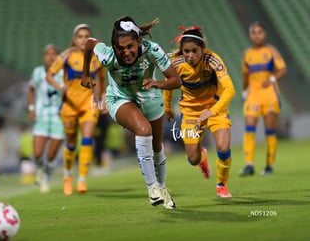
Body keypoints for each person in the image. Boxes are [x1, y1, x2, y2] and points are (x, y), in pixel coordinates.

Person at [82, 16, 181, 209]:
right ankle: (152, 188)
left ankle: (162, 188)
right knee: (143, 130)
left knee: (157, 147)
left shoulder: (152, 49)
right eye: (121, 48)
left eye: (130, 46)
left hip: (150, 96)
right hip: (120, 99)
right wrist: (85, 74)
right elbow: (89, 44)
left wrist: (158, 83)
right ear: (114, 46)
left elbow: (176, 80)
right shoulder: (108, 55)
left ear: (138, 41)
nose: (126, 52)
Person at [164, 26, 235, 198]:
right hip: (190, 113)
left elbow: (230, 89)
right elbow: (170, 85)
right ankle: (202, 159)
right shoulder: (176, 63)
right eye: (186, 51)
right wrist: (167, 107)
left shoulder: (213, 60)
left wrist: (212, 111)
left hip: (215, 108)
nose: (190, 55)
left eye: (194, 51)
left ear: (202, 48)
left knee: (223, 147)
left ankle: (221, 185)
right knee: (192, 159)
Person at [46, 24, 105, 195]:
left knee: (87, 137)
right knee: (71, 142)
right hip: (70, 104)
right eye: (80, 36)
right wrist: (60, 86)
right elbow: (49, 75)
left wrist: (103, 100)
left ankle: (82, 180)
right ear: (74, 39)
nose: (83, 39)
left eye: (87, 36)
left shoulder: (97, 57)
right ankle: (67, 176)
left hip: (89, 103)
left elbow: (102, 79)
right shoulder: (67, 55)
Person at [239, 22, 287, 176]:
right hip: (253, 95)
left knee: (270, 130)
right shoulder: (247, 54)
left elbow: (282, 69)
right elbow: (245, 74)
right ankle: (249, 164)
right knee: (250, 127)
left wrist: (272, 79)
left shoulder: (271, 50)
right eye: (254, 32)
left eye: (259, 32)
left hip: (269, 95)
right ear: (250, 35)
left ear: (264, 34)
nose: (257, 35)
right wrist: (244, 90)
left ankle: (269, 166)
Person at [28, 44, 65, 193]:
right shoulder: (37, 72)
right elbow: (31, 89)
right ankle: (39, 169)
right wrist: (31, 108)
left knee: (51, 155)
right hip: (42, 116)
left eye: (54, 53)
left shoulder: (63, 72)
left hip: (59, 117)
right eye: (47, 54)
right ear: (44, 57)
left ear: (58, 56)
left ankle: (45, 180)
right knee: (37, 153)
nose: (51, 57)